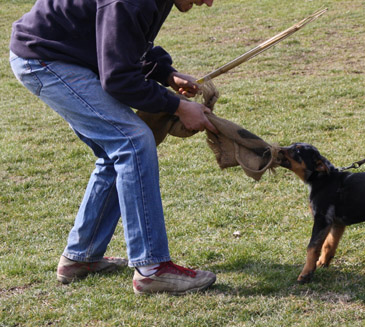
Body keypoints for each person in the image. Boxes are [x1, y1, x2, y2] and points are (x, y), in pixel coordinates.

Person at [10, 0, 218, 295]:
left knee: (117, 151)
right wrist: (178, 106)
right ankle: (152, 270)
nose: (208, 2)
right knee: (133, 141)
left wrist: (165, 73)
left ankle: (81, 257)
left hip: (64, 55)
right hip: (45, 59)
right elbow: (119, 78)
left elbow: (125, 45)